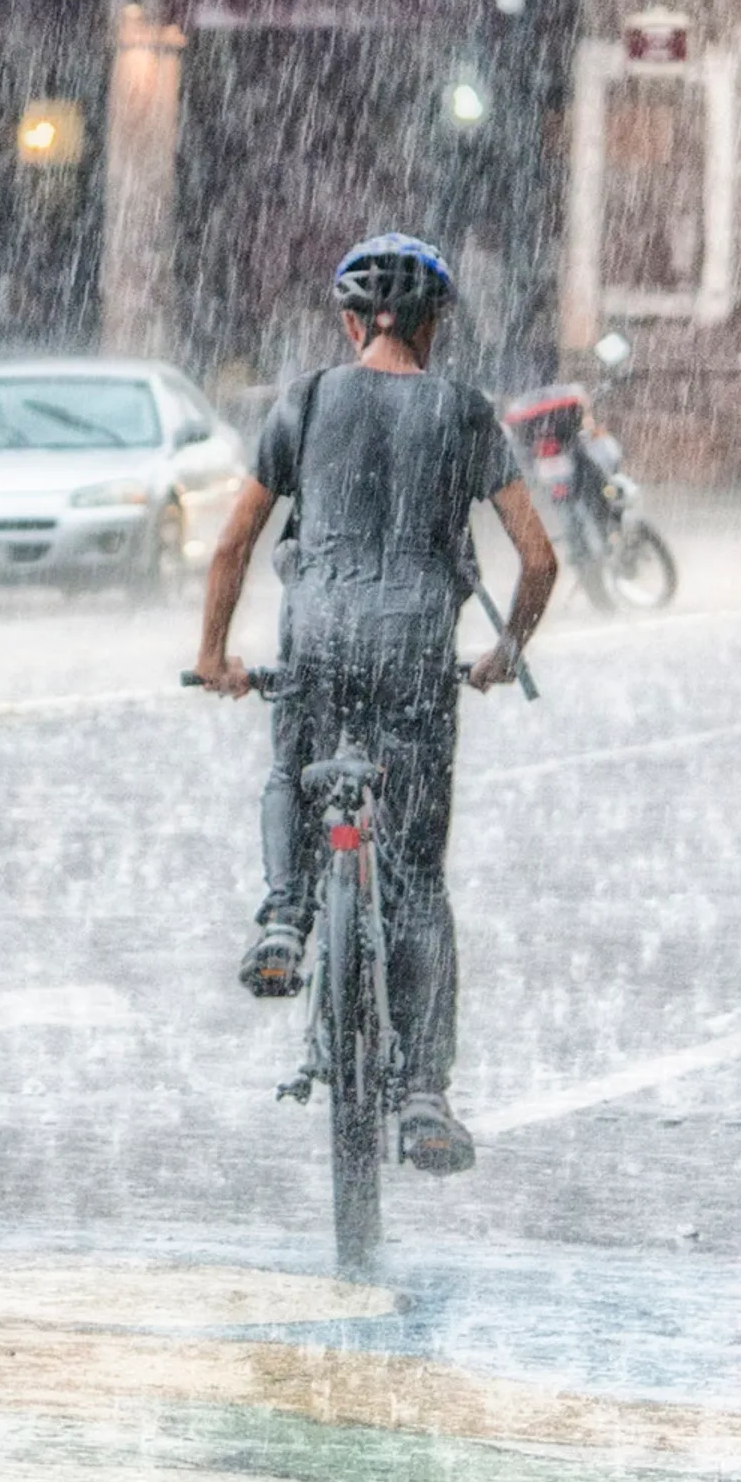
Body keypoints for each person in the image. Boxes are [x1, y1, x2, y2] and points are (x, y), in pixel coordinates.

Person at [188, 232, 560, 1175]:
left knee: (293, 766)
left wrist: (214, 655)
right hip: (415, 657)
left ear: (353, 325)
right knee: (417, 880)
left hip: (317, 642)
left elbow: (233, 545)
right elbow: (539, 558)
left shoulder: (307, 401)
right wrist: (506, 650)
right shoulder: (465, 414)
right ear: (433, 327)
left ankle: (284, 917)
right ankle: (425, 1094)